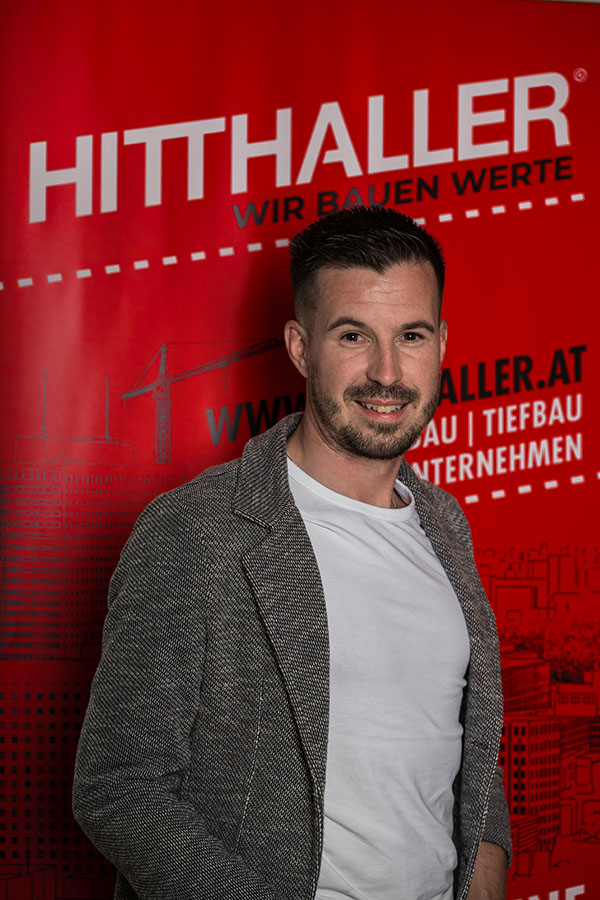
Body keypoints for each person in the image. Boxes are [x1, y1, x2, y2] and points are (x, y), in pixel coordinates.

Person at [74, 206, 511, 900]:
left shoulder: (445, 523)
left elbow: (461, 736)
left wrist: (486, 864)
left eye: (411, 335)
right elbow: (118, 788)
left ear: (442, 344)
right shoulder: (197, 530)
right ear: (301, 348)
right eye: (353, 336)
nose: (387, 372)